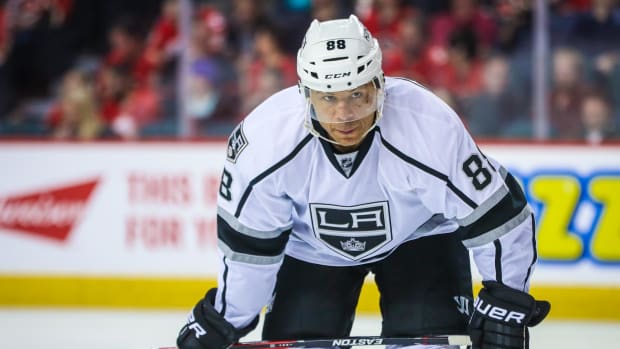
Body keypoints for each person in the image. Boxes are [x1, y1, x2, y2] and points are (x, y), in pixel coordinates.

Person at [176, 15, 550, 349]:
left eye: (358, 94)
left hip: (420, 238)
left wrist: (505, 298)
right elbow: (250, 249)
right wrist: (224, 318)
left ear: (380, 85)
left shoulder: (427, 125)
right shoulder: (264, 143)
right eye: (328, 98)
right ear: (305, 95)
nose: (344, 115)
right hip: (312, 250)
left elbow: (497, 216)